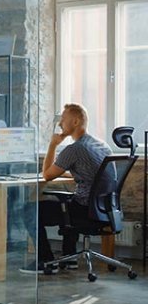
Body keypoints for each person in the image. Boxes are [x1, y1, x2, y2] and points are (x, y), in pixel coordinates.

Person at [20, 103, 112, 274]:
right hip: (103, 209)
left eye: (63, 120)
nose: (60, 124)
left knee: (29, 210)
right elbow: (94, 175)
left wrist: (53, 144)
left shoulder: (74, 149)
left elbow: (46, 175)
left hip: (84, 210)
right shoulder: (101, 145)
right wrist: (74, 175)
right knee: (70, 200)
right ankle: (70, 258)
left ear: (76, 122)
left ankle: (45, 261)